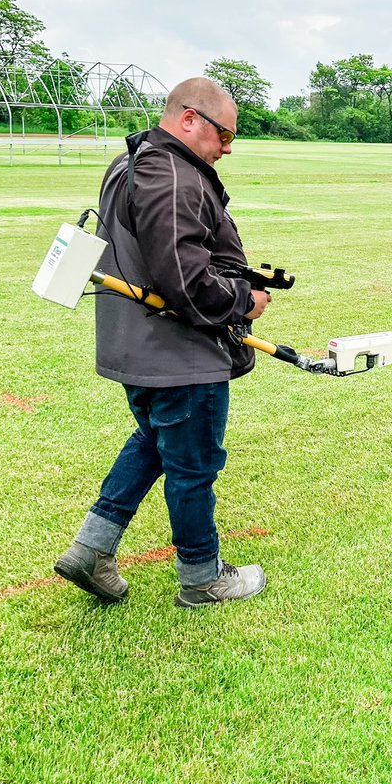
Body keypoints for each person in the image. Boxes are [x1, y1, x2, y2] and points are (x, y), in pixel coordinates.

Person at [54, 77, 271, 608]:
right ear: (190, 118)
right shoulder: (171, 174)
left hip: (139, 349)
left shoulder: (134, 161)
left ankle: (91, 550)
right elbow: (184, 277)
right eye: (225, 136)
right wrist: (242, 302)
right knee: (194, 464)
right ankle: (202, 578)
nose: (226, 149)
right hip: (178, 355)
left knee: (154, 442)